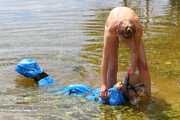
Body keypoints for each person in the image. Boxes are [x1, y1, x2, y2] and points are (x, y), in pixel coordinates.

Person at [100, 7, 151, 102]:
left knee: (143, 65)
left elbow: (135, 51)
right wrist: (103, 84)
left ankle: (148, 96)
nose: (125, 44)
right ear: (117, 34)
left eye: (128, 42)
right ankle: (111, 94)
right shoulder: (111, 30)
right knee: (112, 64)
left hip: (131, 26)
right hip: (113, 20)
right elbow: (105, 59)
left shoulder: (137, 28)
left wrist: (131, 71)